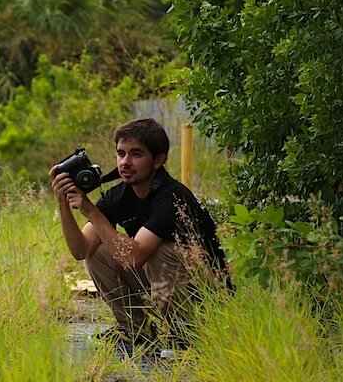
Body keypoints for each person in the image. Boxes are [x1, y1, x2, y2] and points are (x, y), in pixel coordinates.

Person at [49, 118, 228, 350]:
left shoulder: (172, 197)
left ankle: (185, 334)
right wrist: (63, 203)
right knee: (98, 253)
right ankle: (136, 331)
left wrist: (91, 211)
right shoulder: (119, 196)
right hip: (167, 283)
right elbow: (80, 250)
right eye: (121, 153)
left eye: (136, 154)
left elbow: (136, 257)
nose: (125, 162)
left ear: (158, 160)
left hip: (209, 295)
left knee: (158, 251)